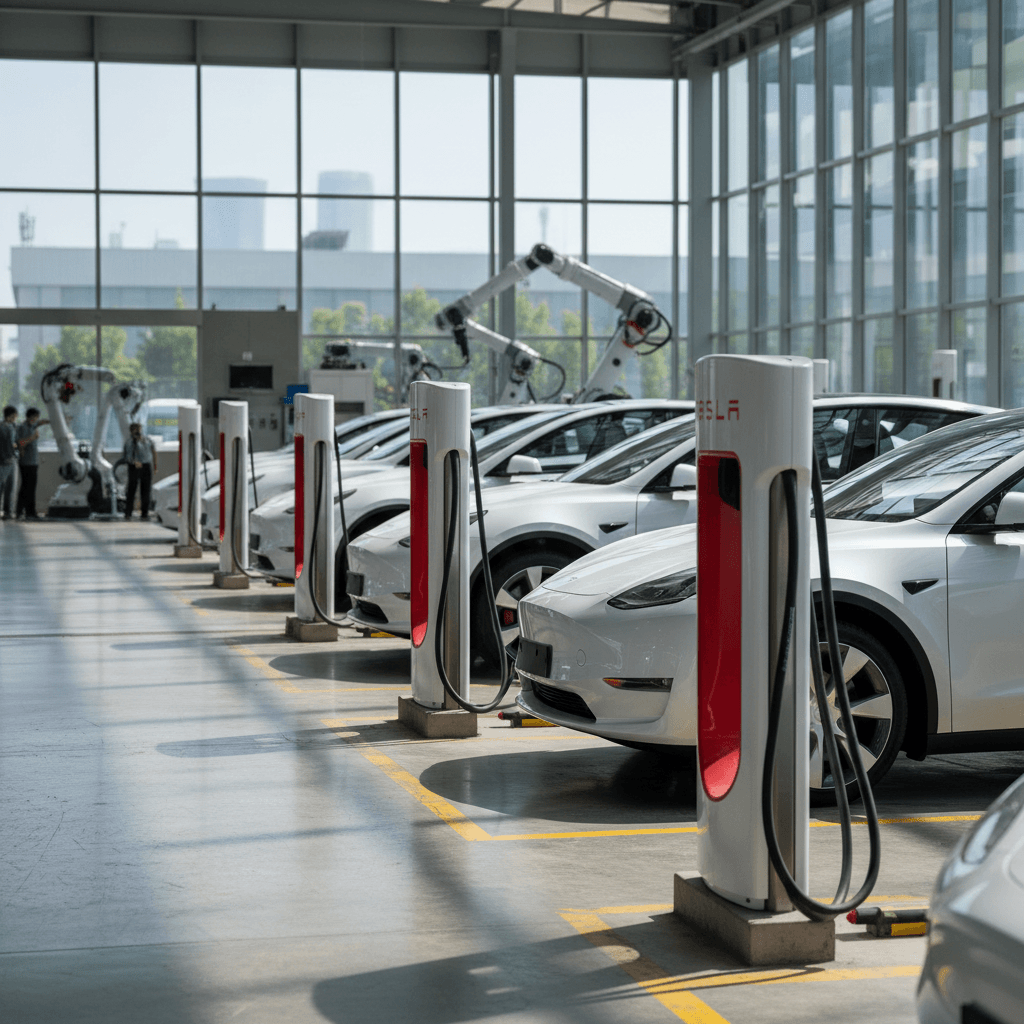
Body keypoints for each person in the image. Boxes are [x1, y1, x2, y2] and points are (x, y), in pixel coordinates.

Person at [15, 407, 48, 520]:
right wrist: (33, 438)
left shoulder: (32, 425)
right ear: (30, 417)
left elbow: (40, 422)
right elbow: (20, 443)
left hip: (33, 462)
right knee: (26, 487)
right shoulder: (23, 427)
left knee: (31, 488)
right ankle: (21, 511)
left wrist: (50, 421)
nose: (37, 419)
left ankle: (30, 512)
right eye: (35, 417)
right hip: (26, 462)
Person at [123, 421, 157, 520]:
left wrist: (155, 466)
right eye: (135, 429)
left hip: (146, 465)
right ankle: (128, 512)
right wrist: (133, 462)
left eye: (138, 429)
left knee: (146, 490)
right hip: (134, 466)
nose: (137, 431)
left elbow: (154, 452)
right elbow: (126, 456)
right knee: (131, 489)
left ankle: (144, 513)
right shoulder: (129, 442)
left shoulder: (147, 440)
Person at [0, 406, 17, 521]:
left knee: (10, 488)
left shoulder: (13, 426)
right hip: (3, 461)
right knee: (2, 487)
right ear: (9, 416)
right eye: (14, 416)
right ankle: (6, 511)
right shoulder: (1, 428)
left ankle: (8, 512)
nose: (15, 418)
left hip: (12, 460)